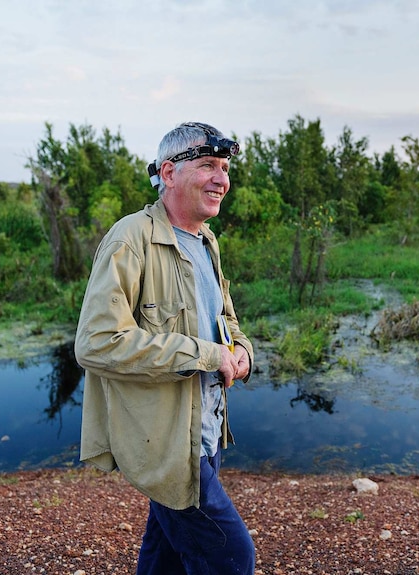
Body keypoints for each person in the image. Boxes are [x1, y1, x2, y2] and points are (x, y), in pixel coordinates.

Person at [74, 121, 256, 574]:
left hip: (205, 430)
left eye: (225, 167)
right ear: (170, 173)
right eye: (209, 166)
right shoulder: (129, 238)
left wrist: (242, 351)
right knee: (232, 558)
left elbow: (225, 321)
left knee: (167, 557)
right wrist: (208, 355)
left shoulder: (205, 240)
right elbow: (97, 343)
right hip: (169, 444)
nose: (222, 179)